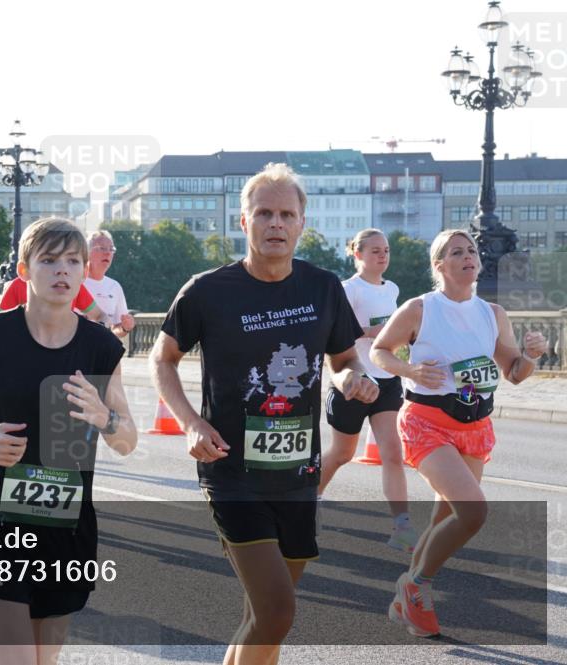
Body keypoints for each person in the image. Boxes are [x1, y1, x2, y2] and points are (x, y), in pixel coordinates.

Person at [150, 163, 378, 665]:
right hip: (232, 474)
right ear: (243, 221)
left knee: (263, 618)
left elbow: (342, 358)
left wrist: (350, 379)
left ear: (301, 223)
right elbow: (161, 358)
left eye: (287, 214)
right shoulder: (207, 290)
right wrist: (191, 421)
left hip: (298, 475)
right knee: (276, 611)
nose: (276, 223)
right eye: (264, 213)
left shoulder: (322, 288)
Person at [0, 217, 137, 665]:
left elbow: (127, 441)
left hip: (67, 525)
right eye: (49, 260)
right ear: (24, 270)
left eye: (73, 261)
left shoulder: (101, 348)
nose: (62, 271)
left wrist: (104, 416)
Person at [370, 229, 546, 638]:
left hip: (475, 425)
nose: (468, 257)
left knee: (446, 516)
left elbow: (515, 373)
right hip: (426, 422)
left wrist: (532, 357)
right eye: (456, 252)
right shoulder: (420, 309)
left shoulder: (493, 314)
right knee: (474, 511)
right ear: (439, 265)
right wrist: (410, 370)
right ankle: (417, 587)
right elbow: (380, 349)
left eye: (471, 251)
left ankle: (406, 594)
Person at [318, 229, 416, 551]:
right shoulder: (348, 289)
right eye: (374, 250)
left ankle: (402, 525)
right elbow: (333, 334)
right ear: (357, 254)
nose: (382, 255)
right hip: (353, 380)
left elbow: (394, 331)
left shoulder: (393, 289)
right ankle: (310, 500)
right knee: (342, 453)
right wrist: (373, 331)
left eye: (385, 250)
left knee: (392, 453)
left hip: (386, 382)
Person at [84, 230, 135, 339]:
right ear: (87, 252)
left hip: (102, 352)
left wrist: (125, 327)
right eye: (102, 248)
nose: (108, 253)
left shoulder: (115, 287)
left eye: (111, 249)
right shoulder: (74, 282)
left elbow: (115, 329)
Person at [0, 273, 104, 323]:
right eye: (48, 260)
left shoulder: (74, 285)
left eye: (71, 260)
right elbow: (0, 325)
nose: (61, 268)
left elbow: (100, 315)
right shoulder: (17, 285)